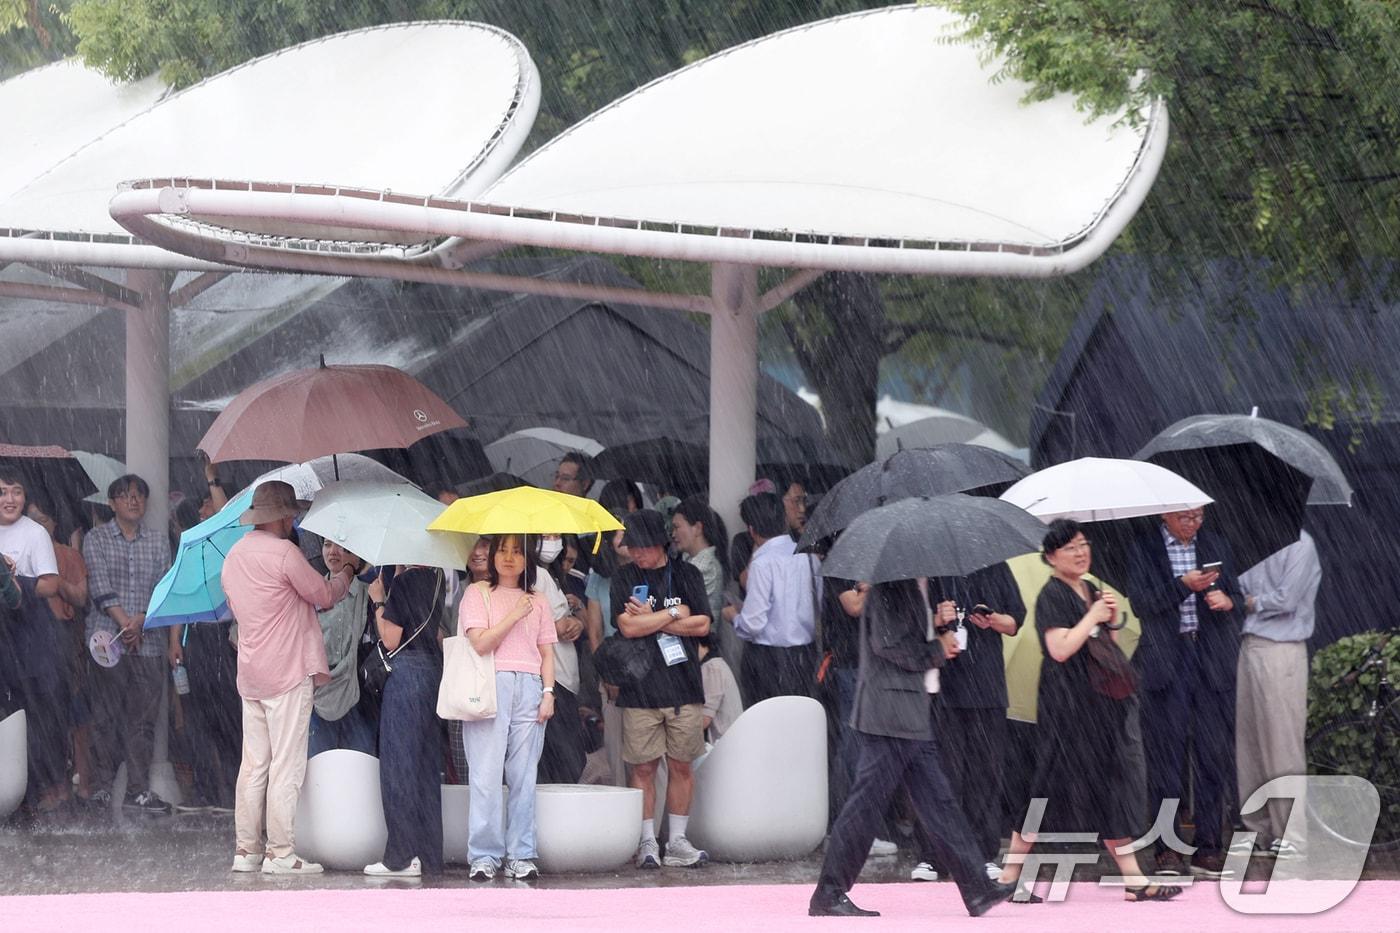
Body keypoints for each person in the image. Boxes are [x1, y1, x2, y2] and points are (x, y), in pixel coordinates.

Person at [997, 519, 1181, 903]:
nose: (1081, 553)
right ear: (1051, 557)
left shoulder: (1091, 587)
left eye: (1084, 545)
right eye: (1070, 548)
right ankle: (1009, 876)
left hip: (1102, 705)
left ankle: (1133, 880)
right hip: (1067, 706)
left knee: (1111, 786)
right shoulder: (1052, 594)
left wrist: (1109, 619)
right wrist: (1092, 618)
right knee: (1044, 789)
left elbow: (1102, 645)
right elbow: (1060, 649)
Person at [809, 577, 1015, 918]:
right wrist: (937, 648)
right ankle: (829, 892)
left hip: (908, 712)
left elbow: (905, 638)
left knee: (940, 803)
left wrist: (935, 633)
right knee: (866, 806)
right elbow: (888, 645)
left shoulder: (910, 588)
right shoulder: (890, 589)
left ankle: (976, 886)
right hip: (889, 714)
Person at [221, 481, 356, 875]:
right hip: (288, 670)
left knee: (254, 764)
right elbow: (324, 595)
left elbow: (238, 606)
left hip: (252, 673)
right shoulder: (285, 553)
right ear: (281, 516)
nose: (294, 518)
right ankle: (281, 853)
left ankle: (246, 850)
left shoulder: (234, 556)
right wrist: (347, 571)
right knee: (286, 765)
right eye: (292, 513)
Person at [1128, 506, 1244, 877]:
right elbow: (1141, 604)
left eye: (1198, 516)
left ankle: (1209, 846)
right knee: (1167, 758)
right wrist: (1183, 587)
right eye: (1184, 517)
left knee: (1213, 756)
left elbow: (1238, 598)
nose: (1192, 524)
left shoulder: (1217, 544)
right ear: (1165, 516)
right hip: (1167, 661)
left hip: (1210, 658)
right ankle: (1168, 849)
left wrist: (1228, 602)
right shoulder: (1144, 549)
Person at [611, 509, 712, 869]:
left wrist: (650, 620)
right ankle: (647, 840)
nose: (636, 554)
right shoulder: (623, 578)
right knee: (643, 768)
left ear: (660, 545)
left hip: (684, 686)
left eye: (643, 547)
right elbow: (626, 628)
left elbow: (702, 624)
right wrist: (672, 615)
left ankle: (679, 840)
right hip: (639, 687)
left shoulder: (687, 574)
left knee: (682, 765)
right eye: (632, 547)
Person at [911, 563, 1025, 882]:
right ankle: (933, 855)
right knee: (940, 775)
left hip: (987, 688)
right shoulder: (931, 570)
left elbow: (1015, 621)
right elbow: (910, 627)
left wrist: (992, 620)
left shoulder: (996, 567)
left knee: (985, 773)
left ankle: (982, 852)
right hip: (942, 688)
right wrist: (938, 617)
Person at [459, 534, 557, 882]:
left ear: (528, 557)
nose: (509, 558)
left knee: (524, 775)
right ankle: (484, 855)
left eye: (517, 550)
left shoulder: (540, 599)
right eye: (503, 549)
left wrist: (548, 692)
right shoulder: (477, 593)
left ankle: (521, 853)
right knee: (485, 773)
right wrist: (515, 614)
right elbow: (482, 643)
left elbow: (547, 652)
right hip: (490, 684)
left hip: (530, 686)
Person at [81, 473, 173, 815]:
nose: (133, 501)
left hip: (148, 643)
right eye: (125, 496)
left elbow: (164, 590)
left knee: (143, 721)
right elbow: (101, 588)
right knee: (104, 716)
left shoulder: (158, 541)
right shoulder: (96, 538)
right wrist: (126, 622)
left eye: (139, 496)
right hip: (107, 642)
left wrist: (142, 619)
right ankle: (102, 788)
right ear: (112, 503)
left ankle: (138, 791)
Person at [1235, 531, 1322, 858]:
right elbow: (1235, 585)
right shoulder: (1252, 542)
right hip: (1249, 644)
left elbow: (1287, 600)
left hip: (1283, 647)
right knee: (1251, 742)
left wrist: (1250, 602)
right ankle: (1259, 830)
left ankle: (1292, 834)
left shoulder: (1302, 543)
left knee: (1282, 743)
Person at [363, 561, 447, 878]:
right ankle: (429, 854)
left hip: (406, 674)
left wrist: (378, 600)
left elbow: (390, 639)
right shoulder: (436, 578)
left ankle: (400, 855)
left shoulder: (406, 582)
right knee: (425, 767)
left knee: (399, 765)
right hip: (430, 673)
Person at [26, 489, 89, 814]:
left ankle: (61, 786)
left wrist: (57, 583)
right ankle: (36, 786)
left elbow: (81, 597)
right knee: (32, 718)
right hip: (25, 641)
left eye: (43, 519)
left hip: (61, 640)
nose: (37, 525)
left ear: (53, 523)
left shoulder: (67, 554)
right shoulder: (19, 550)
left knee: (58, 716)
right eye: (32, 519)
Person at [728, 493, 819, 704]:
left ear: (751, 529)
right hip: (805, 656)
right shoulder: (809, 557)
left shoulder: (762, 564)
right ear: (784, 520)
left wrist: (734, 616)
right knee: (798, 723)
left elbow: (753, 624)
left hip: (767, 661)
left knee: (765, 725)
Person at [307, 539, 375, 757]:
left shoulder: (370, 594)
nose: (333, 552)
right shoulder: (311, 592)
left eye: (342, 547)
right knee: (319, 768)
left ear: (356, 557)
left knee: (358, 766)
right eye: (327, 545)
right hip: (319, 693)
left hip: (359, 694)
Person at [534, 533, 587, 784]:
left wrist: (574, 620)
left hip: (561, 678)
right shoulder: (537, 574)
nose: (552, 541)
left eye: (556, 535)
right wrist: (571, 623)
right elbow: (556, 628)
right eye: (546, 535)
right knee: (564, 758)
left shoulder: (551, 574)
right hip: (553, 679)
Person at [671, 497, 731, 654]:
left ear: (697, 528)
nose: (673, 534)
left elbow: (682, 610)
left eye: (677, 527)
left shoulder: (706, 567)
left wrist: (660, 618)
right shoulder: (689, 560)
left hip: (699, 648)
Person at [699, 635, 742, 742]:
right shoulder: (715, 664)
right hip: (728, 741)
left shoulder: (712, 667)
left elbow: (704, 720)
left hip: (722, 745)